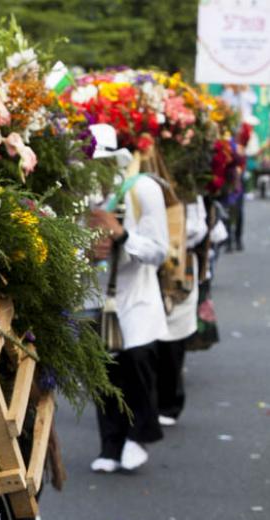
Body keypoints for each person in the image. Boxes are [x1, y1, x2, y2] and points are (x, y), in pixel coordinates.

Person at [87, 124, 169, 473]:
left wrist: (122, 237)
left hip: (135, 296)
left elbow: (160, 251)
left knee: (135, 361)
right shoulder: (78, 192)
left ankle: (139, 435)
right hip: (94, 294)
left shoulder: (144, 189)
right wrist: (87, 250)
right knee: (102, 370)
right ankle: (110, 444)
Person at [156, 196, 208, 426]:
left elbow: (199, 228)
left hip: (178, 266)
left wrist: (172, 234)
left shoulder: (188, 193)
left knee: (173, 339)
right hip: (145, 265)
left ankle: (169, 402)